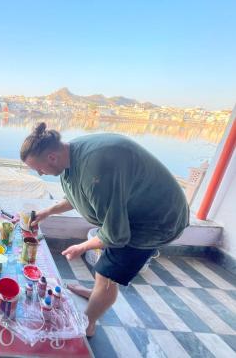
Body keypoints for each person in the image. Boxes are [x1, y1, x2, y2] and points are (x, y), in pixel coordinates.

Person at [20, 122, 189, 337]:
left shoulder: (95, 169)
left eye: (38, 168)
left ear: (51, 157)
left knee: (106, 274)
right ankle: (96, 293)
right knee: (103, 275)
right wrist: (48, 212)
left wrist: (82, 247)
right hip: (132, 213)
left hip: (155, 221)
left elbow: (115, 234)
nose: (40, 174)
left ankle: (87, 324)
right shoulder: (68, 157)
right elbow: (77, 197)